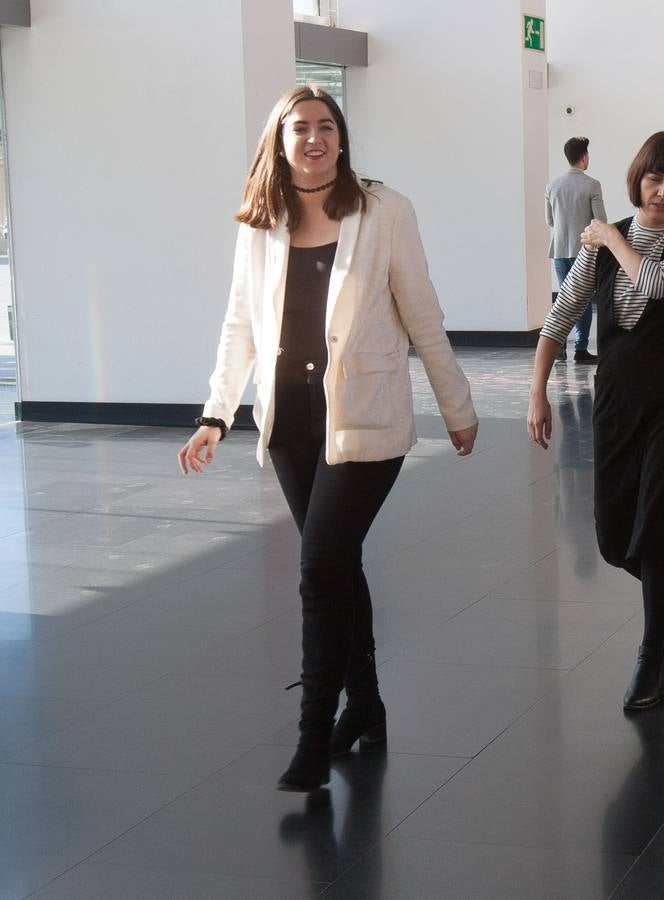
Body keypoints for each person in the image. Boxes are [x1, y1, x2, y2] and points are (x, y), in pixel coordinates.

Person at [177, 85, 479, 793]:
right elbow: (239, 325)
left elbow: (423, 316)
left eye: (325, 127)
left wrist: (457, 407)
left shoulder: (384, 211)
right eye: (299, 129)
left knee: (318, 569)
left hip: (366, 420)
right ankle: (367, 706)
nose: (313, 138)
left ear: (342, 140)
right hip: (290, 423)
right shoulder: (260, 223)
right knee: (339, 564)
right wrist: (215, 414)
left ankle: (314, 734)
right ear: (278, 144)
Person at [526, 131, 664, 711]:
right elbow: (559, 320)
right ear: (637, 179)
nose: (662, 192)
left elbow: (653, 282)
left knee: (655, 525)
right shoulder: (600, 248)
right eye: (654, 179)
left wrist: (609, 234)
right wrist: (537, 394)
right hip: (616, 399)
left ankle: (650, 653)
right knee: (612, 539)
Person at [546, 136, 606, 363]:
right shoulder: (592, 184)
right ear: (584, 157)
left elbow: (549, 220)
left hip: (560, 250)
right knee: (582, 301)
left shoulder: (552, 185)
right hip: (584, 251)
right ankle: (581, 349)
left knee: (564, 299)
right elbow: (600, 220)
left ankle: (559, 347)